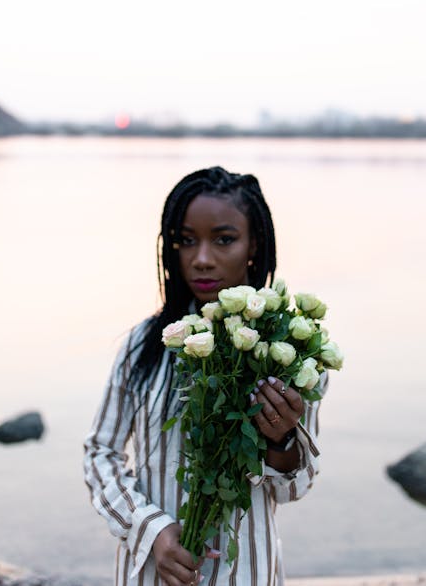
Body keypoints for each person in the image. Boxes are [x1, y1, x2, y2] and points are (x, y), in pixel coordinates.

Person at [84, 166, 327, 586]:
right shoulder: (146, 344)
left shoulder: (292, 357)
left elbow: (292, 488)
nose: (200, 258)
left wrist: (282, 438)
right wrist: (152, 529)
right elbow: (99, 452)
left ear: (254, 245)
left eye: (224, 239)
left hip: (246, 570)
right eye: (185, 241)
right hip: (152, 572)